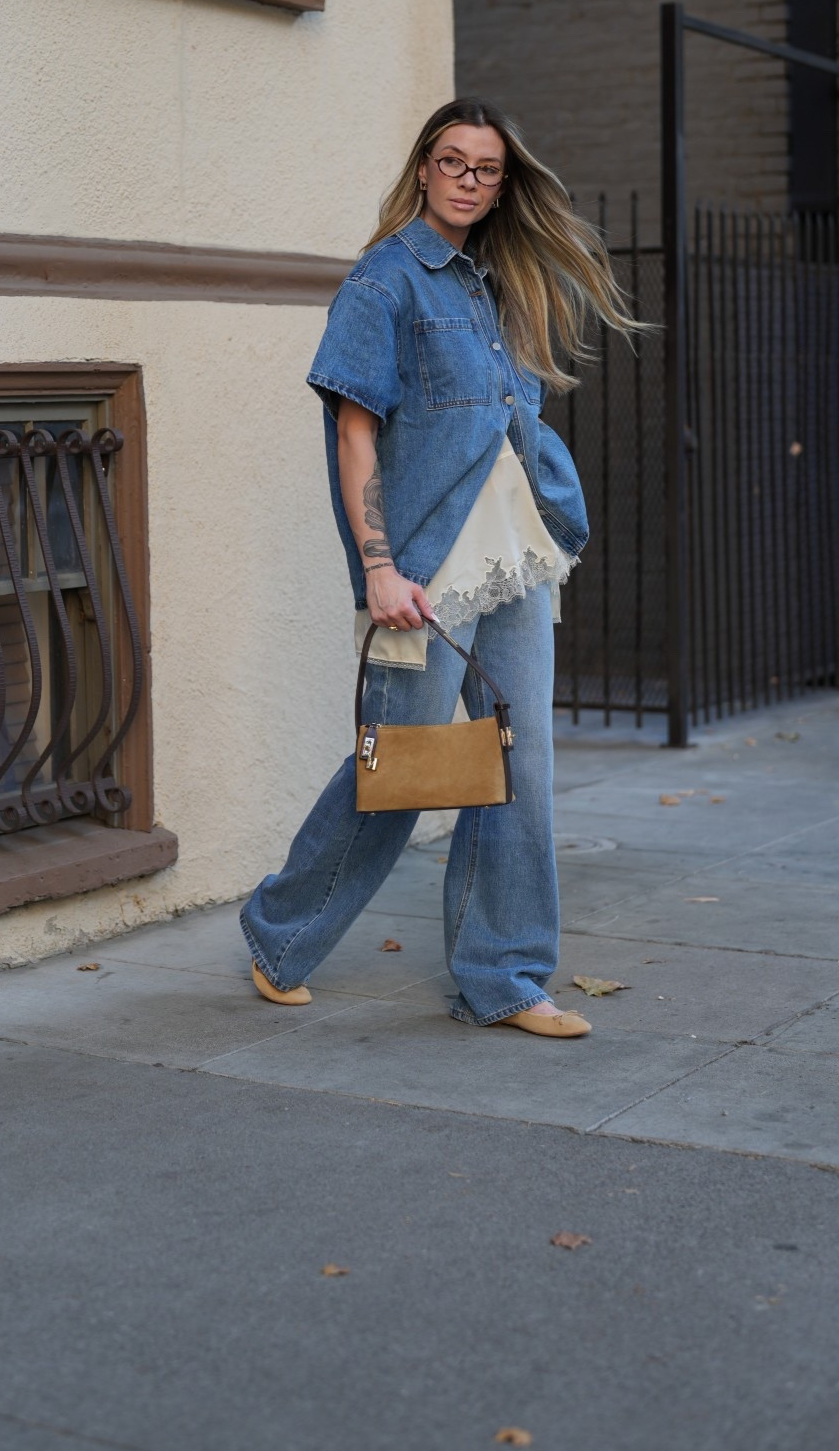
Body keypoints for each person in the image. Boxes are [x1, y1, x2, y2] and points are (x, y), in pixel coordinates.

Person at [240, 98, 640, 1038]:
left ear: (503, 184)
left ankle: (504, 977)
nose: (468, 178)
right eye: (451, 161)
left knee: (519, 766)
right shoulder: (384, 283)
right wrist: (377, 566)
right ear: (422, 170)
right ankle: (278, 931)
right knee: (409, 772)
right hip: (421, 568)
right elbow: (354, 432)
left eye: (486, 168)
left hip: (511, 558)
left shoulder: (496, 283)